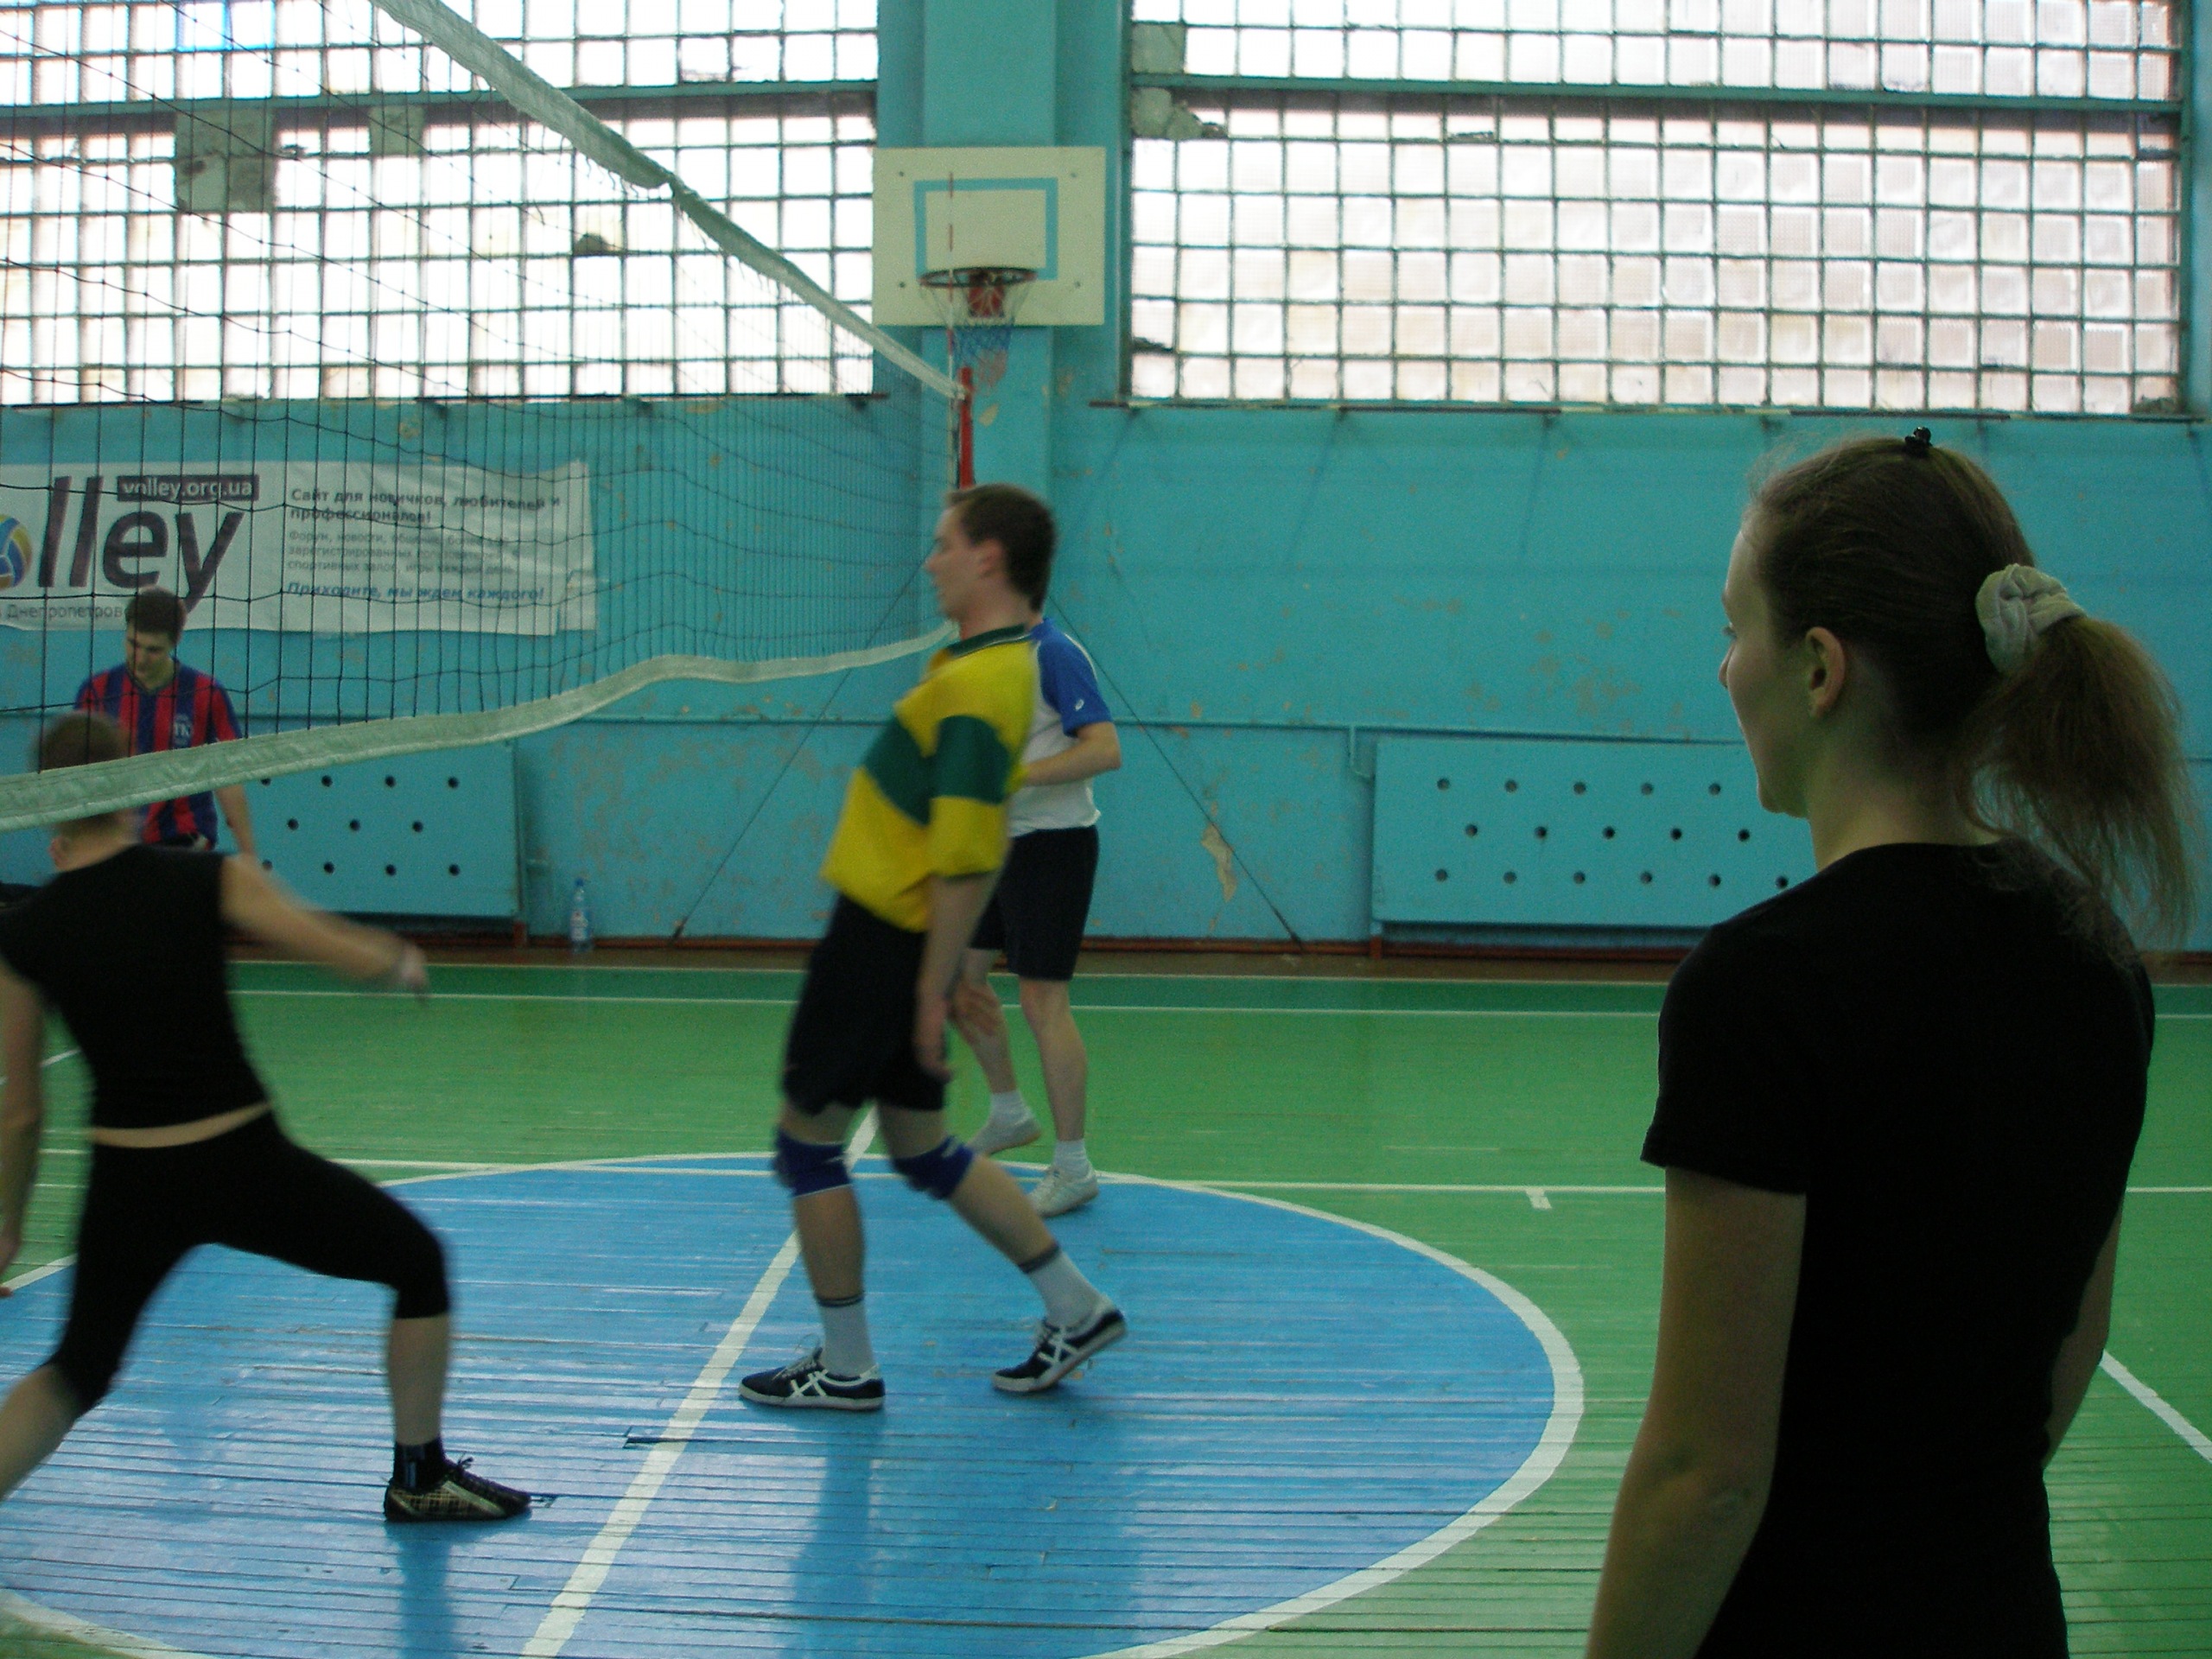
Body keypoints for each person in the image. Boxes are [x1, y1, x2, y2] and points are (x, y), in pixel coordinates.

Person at [1585, 429, 2198, 1659]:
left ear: (1819, 668)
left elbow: (1706, 1472)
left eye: (1735, 630)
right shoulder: (2093, 957)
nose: (1723, 669)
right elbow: (2069, 1351)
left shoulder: (1763, 989)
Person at [0, 712, 529, 1525]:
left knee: (77, 1369)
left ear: (46, 804)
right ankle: (419, 1478)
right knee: (418, 1264)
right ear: (133, 785)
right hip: (241, 1164)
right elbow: (331, 945)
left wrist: (7, 1223)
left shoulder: (26, 931)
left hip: (130, 1182)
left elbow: (20, 1113)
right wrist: (395, 959)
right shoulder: (203, 878)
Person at [740, 484, 1127, 1412]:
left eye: (944, 544)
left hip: (879, 938)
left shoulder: (978, 684)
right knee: (921, 1149)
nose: (931, 561)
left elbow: (964, 849)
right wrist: (947, 966)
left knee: (807, 1148)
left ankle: (847, 1367)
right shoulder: (977, 666)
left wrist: (930, 984)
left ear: (988, 559)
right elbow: (973, 839)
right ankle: (1077, 1308)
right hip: (901, 938)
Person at [952, 543, 1122, 1217]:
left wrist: (1014, 777)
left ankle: (1074, 1166)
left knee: (1043, 1002)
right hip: (999, 845)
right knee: (961, 983)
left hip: (1053, 847)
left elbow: (1104, 750)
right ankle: (1008, 1113)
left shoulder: (1055, 653)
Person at [73, 587, 257, 856]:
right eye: (133, 644)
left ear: (176, 641)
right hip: (115, 840)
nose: (140, 659)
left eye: (153, 650)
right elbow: (76, 777)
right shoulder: (97, 691)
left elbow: (229, 778)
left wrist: (248, 854)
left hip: (183, 837)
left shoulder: (206, 693)